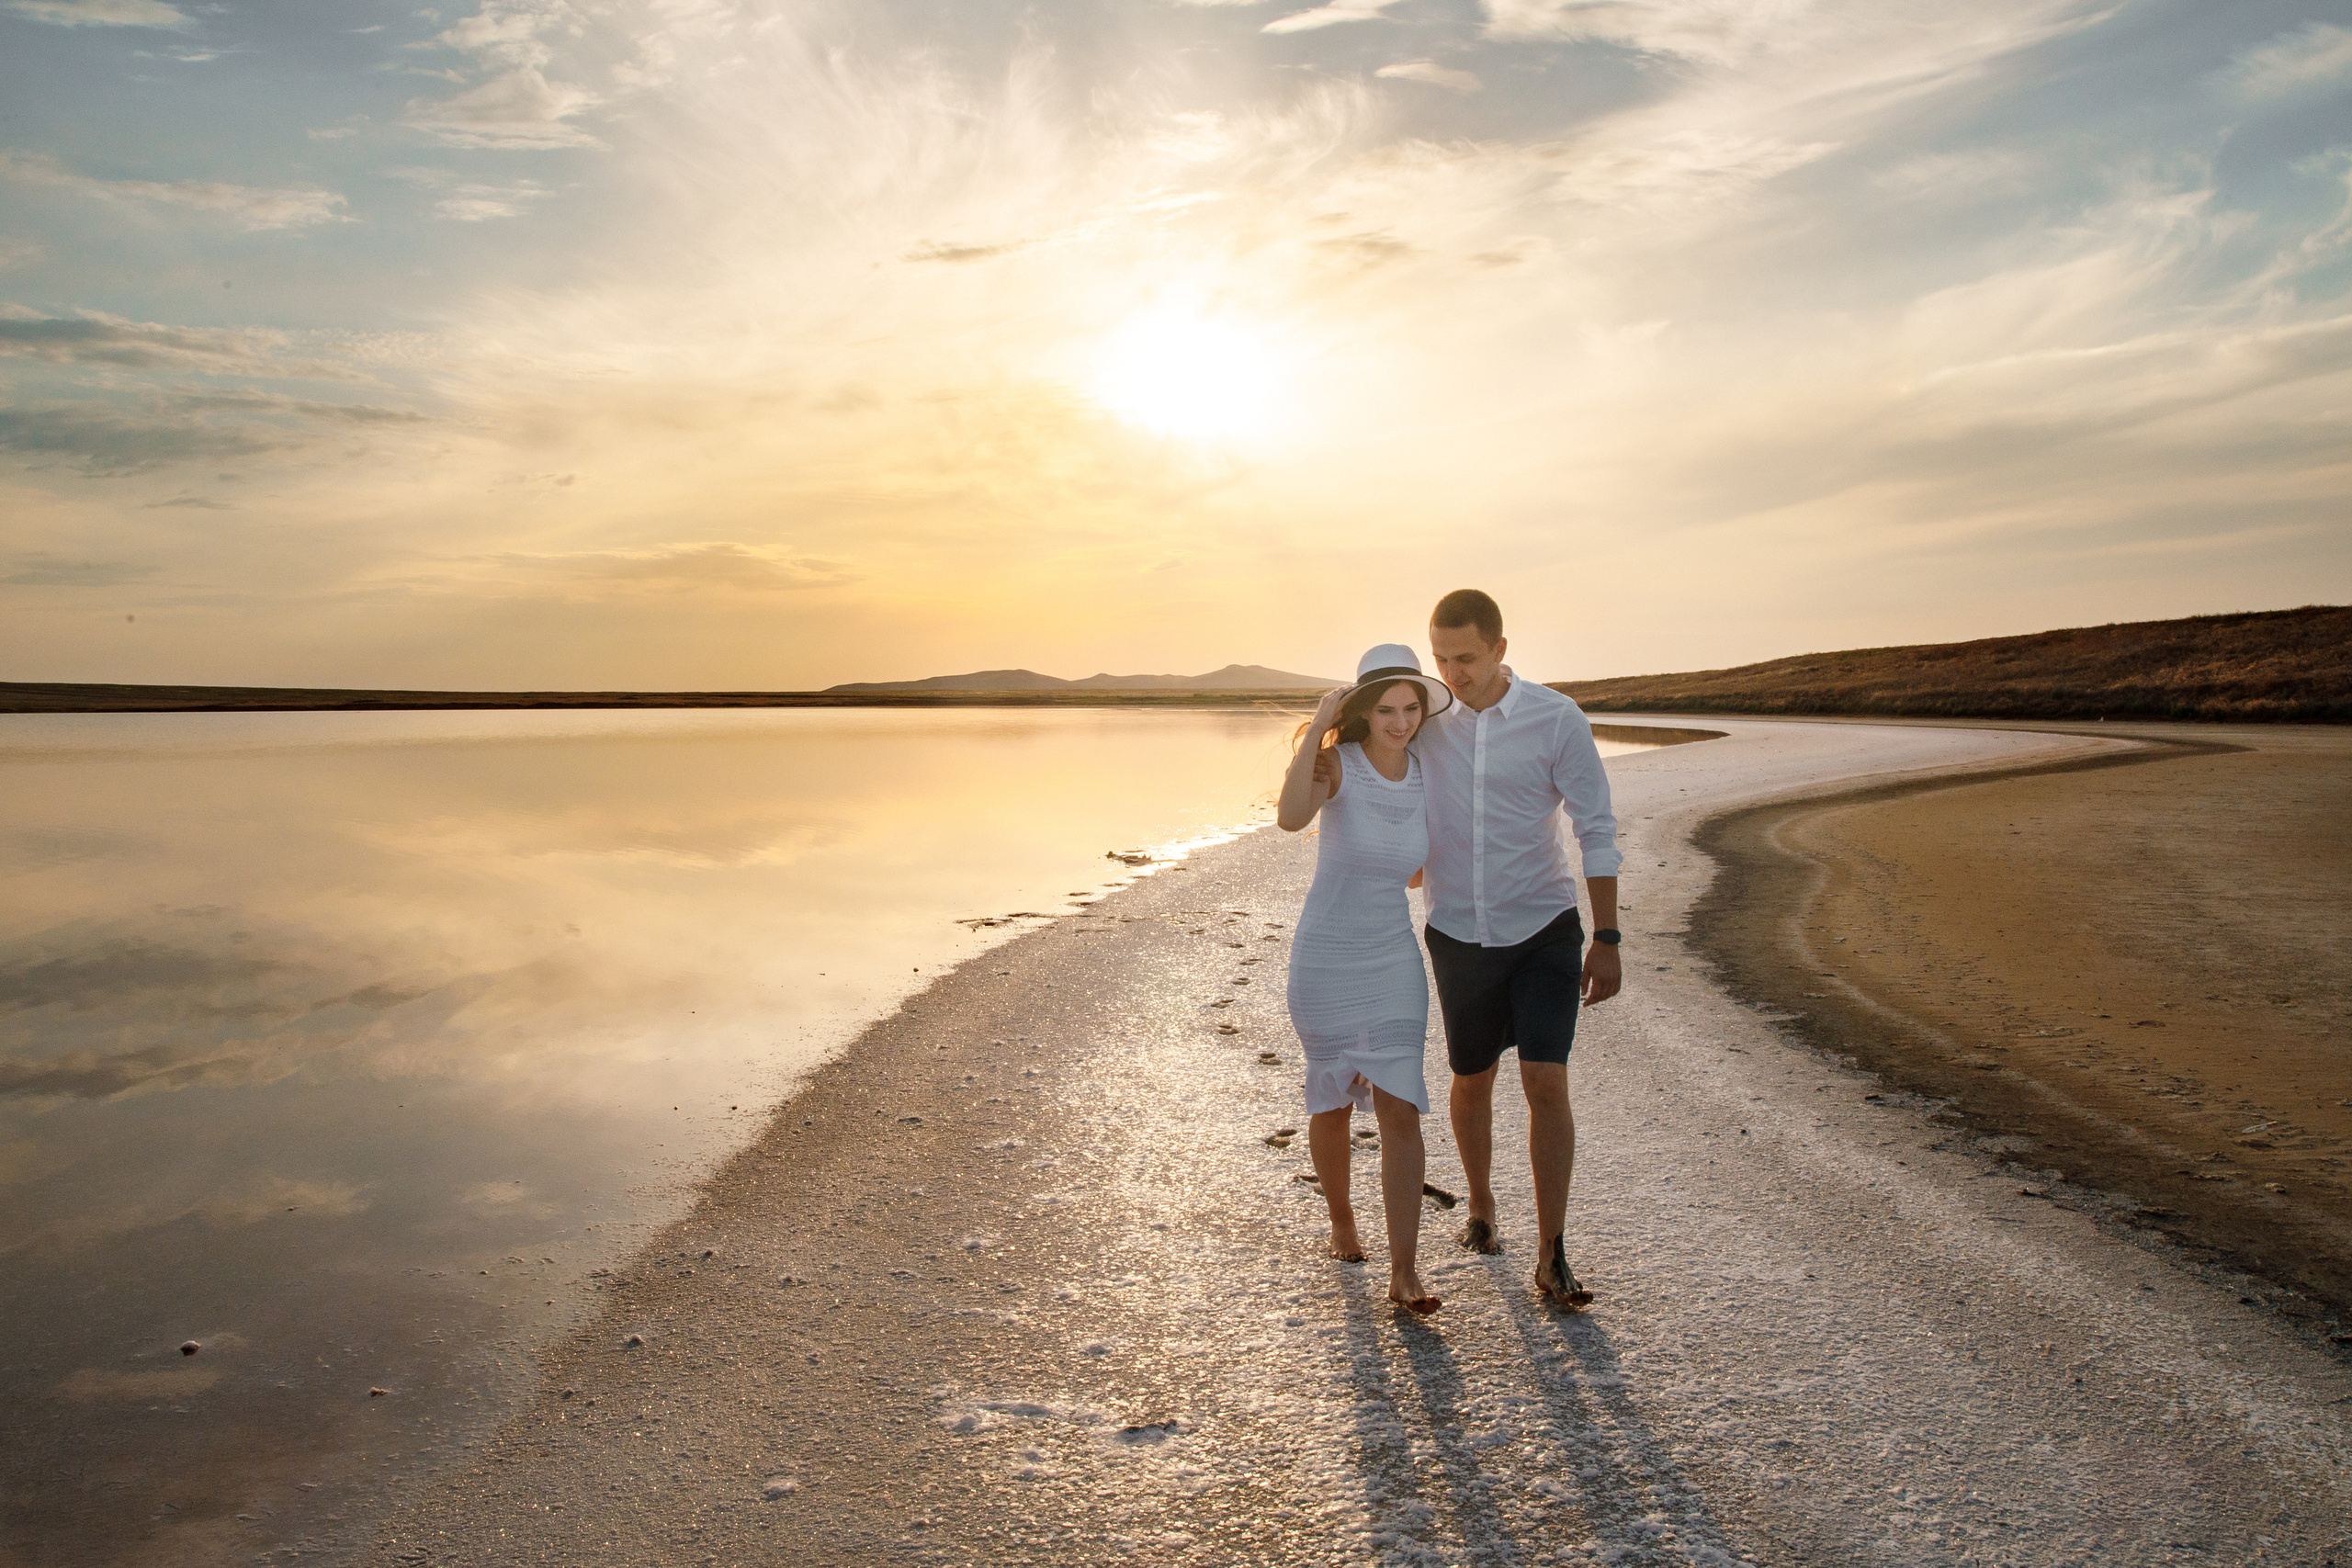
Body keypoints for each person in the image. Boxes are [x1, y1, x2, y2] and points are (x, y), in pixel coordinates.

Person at [1404, 589, 1623, 1308]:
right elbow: (1363, 736)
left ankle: (1552, 1252)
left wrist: (1607, 936)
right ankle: (1480, 1205)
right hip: (1458, 930)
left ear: (1500, 648)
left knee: (1545, 1081)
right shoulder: (1427, 718)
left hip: (1544, 927)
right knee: (1471, 1078)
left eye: (1465, 657)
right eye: (1440, 657)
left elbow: (1596, 827)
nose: (1452, 672)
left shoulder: (1554, 718)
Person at [1275, 644, 1456, 1316]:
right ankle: (1343, 1222)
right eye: (1386, 709)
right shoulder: (1338, 763)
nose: (1401, 721)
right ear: (1362, 710)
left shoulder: (1426, 775)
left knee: (1400, 1103)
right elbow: (1291, 817)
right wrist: (1321, 723)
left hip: (1392, 957)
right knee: (1329, 1099)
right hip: (1326, 954)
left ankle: (1405, 1271)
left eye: (1411, 708)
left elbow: (1421, 864)